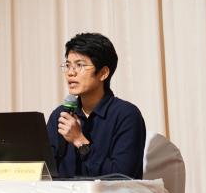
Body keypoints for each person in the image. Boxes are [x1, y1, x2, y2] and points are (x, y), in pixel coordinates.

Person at [46, 32, 146, 179]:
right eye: (68, 65)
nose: (70, 73)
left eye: (79, 65)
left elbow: (123, 178)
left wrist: (79, 141)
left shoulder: (126, 115)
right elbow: (45, 171)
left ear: (103, 73)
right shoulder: (60, 115)